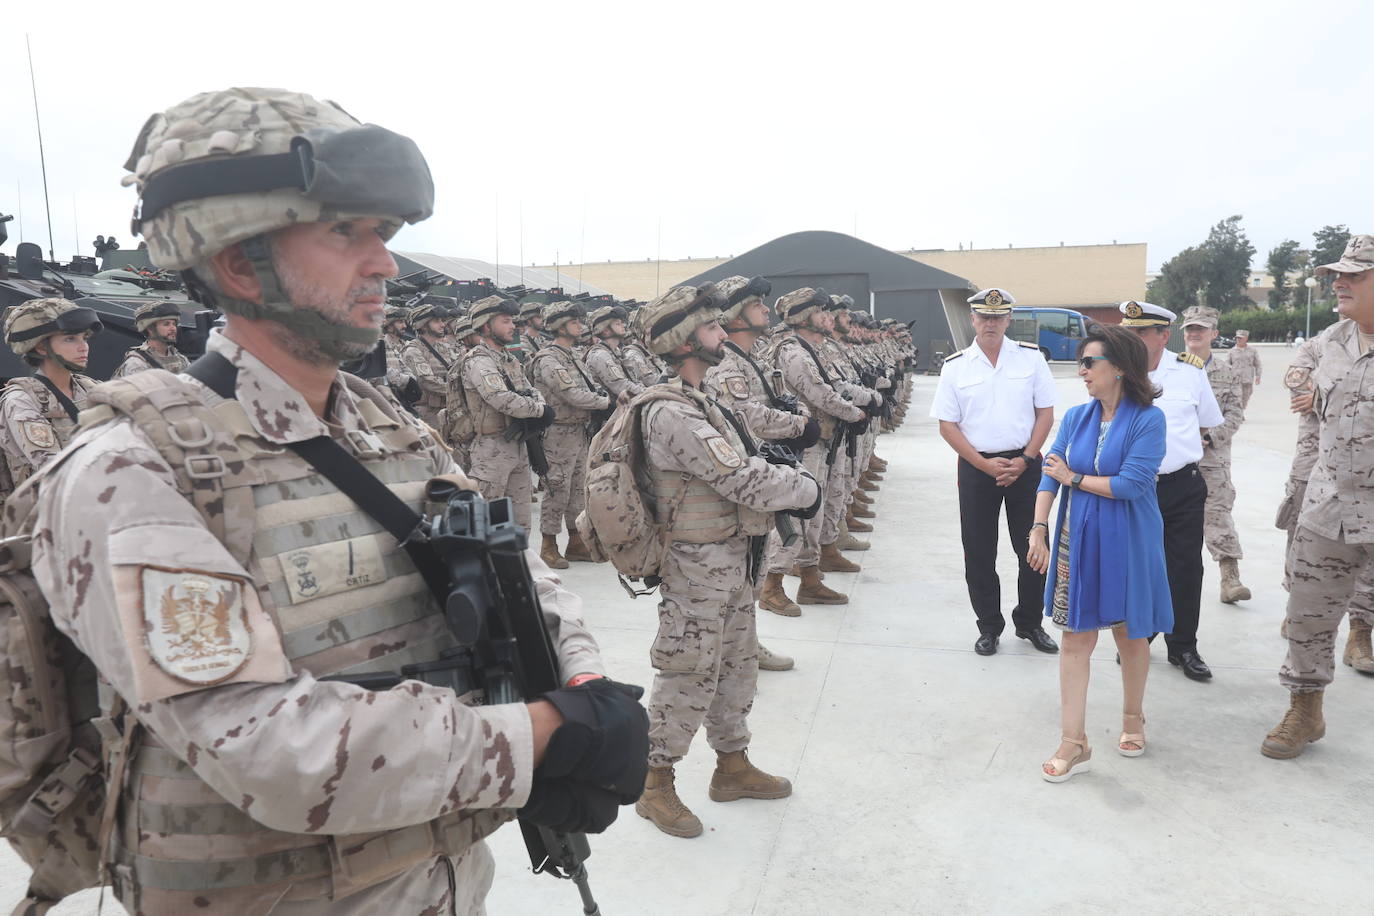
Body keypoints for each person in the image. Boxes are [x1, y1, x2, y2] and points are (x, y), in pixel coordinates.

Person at [31, 86, 646, 913]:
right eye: (345, 233)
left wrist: (580, 679)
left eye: (383, 235)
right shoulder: (134, 470)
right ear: (239, 260)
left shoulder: (386, 426)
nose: (385, 264)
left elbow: (513, 567)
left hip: (434, 880)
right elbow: (264, 745)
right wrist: (543, 738)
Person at [630, 284, 821, 839]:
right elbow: (737, 477)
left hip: (732, 558)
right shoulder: (672, 412)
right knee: (688, 671)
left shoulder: (702, 400)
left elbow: (744, 459)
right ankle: (655, 783)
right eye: (712, 329)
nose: (722, 335)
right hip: (696, 565)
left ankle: (731, 767)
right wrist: (801, 488)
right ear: (685, 342)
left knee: (735, 666)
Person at [1028, 324, 1171, 782]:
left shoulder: (1149, 419)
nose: (1081, 370)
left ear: (1122, 369)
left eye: (1090, 362)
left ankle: (1133, 718)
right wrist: (1038, 527)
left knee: (1130, 635)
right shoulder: (1076, 417)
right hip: (1078, 539)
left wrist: (1074, 478)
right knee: (1075, 637)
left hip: (1130, 539)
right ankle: (1074, 741)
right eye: (1081, 362)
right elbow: (1050, 473)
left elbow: (1131, 485)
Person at [1263, 234, 1374, 758]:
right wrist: (1299, 384)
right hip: (1329, 507)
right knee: (1307, 615)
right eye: (1338, 273)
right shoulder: (1333, 337)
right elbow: (1298, 373)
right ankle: (1305, 711)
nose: (1339, 281)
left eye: (1353, 274)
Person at [931, 288, 1059, 657]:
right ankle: (989, 626)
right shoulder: (956, 366)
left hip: (1026, 465)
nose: (990, 323)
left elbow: (1045, 413)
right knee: (979, 550)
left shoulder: (1031, 360)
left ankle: (1030, 623)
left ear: (1008, 320)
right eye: (983, 317)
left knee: (1033, 548)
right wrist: (984, 464)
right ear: (973, 320)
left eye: (997, 317)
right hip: (977, 467)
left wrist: (1025, 459)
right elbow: (948, 425)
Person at [1121, 300, 1224, 681]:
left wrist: (1172, 457)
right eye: (1128, 331)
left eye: (1141, 332)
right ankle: (1139, 640)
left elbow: (1205, 424)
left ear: (1163, 336)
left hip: (1181, 486)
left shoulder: (1189, 373)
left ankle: (1183, 646)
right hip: (1133, 488)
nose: (1132, 338)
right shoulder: (1114, 371)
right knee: (1136, 568)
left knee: (1184, 568)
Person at [707, 277, 817, 618]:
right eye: (757, 304)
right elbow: (748, 416)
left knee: (760, 553)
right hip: (745, 469)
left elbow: (783, 400)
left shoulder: (752, 358)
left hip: (770, 459)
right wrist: (798, 423)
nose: (766, 309)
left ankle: (748, 640)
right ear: (737, 316)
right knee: (742, 562)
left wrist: (797, 414)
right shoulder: (726, 363)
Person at [768, 288, 867, 606]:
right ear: (802, 317)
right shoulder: (794, 352)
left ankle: (810, 577)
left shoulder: (811, 349)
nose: (829, 317)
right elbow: (820, 394)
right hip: (802, 446)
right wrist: (856, 412)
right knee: (797, 515)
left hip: (821, 441)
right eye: (820, 312)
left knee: (814, 513)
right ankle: (772, 584)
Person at [527, 301, 609, 568]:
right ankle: (548, 545)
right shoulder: (549, 359)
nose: (580, 326)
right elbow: (571, 394)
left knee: (577, 490)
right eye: (574, 322)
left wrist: (600, 399)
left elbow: (590, 387)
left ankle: (575, 541)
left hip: (578, 430)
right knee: (557, 489)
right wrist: (606, 403)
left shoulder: (572, 355)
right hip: (558, 432)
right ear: (560, 326)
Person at [460, 295, 550, 531]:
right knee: (487, 523)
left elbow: (531, 390)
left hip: (516, 444)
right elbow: (500, 398)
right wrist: (539, 410)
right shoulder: (478, 361)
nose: (513, 326)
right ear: (486, 326)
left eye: (513, 321)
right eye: (506, 321)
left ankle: (519, 565)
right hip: (491, 449)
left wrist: (538, 405)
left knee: (520, 523)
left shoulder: (509, 359)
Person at [1181, 306, 1251, 603]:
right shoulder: (1172, 368)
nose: (1194, 333)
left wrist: (1210, 437)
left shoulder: (1229, 372)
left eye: (1201, 329)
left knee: (1218, 514)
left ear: (1214, 334)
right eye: (1189, 329)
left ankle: (1229, 579)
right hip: (1176, 459)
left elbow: (1235, 414)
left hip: (1213, 458)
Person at [0, 298, 102, 488]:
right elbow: (52, 467)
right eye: (70, 339)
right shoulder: (21, 400)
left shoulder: (91, 389)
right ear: (40, 347)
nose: (83, 347)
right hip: (47, 511)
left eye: (84, 338)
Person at [399, 300, 453, 428]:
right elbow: (427, 381)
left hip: (447, 410)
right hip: (427, 414)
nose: (442, 325)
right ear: (423, 326)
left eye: (442, 320)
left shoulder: (443, 348)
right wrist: (458, 391)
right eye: (436, 321)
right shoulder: (413, 350)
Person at [583, 304, 645, 400]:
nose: (623, 325)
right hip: (612, 412)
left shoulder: (617, 352)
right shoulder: (600, 355)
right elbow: (621, 386)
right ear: (606, 331)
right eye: (617, 324)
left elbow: (634, 380)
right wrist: (649, 393)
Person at [112, 301, 190, 376]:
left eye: (174, 324)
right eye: (166, 324)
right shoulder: (137, 363)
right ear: (150, 329)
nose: (173, 328)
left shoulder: (181, 360)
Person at [1228, 329, 1262, 409]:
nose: (1238, 340)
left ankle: (1242, 410)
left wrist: (1258, 376)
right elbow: (1226, 364)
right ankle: (1239, 413)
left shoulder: (1252, 350)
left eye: (1240, 338)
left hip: (1248, 379)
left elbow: (1258, 364)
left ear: (1246, 339)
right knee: (1237, 397)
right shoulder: (1231, 351)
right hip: (1235, 379)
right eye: (1237, 338)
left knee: (1246, 398)